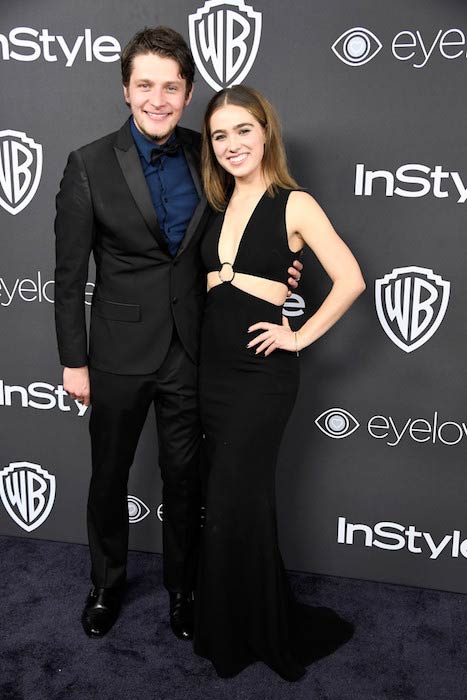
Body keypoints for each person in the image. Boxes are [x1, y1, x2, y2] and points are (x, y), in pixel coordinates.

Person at [54, 27, 301, 641]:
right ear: (126, 90)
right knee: (108, 475)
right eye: (145, 86)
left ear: (188, 93)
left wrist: (284, 268)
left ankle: (183, 591)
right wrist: (73, 361)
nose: (157, 98)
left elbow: (245, 231)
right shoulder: (86, 163)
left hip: (196, 351)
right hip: (114, 352)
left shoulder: (210, 152)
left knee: (185, 479)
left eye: (171, 87)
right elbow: (67, 274)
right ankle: (106, 585)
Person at [193, 85, 366, 681]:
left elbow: (350, 279)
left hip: (261, 376)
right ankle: (234, 621)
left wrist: (297, 335)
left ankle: (253, 630)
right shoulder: (212, 206)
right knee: (230, 503)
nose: (232, 144)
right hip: (210, 375)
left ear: (266, 132)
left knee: (236, 497)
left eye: (243, 129)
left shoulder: (295, 203)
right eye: (219, 135)